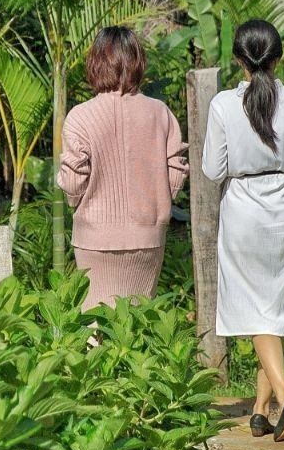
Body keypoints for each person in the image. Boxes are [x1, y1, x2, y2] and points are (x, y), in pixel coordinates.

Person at [200, 18, 284, 440]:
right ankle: (260, 409)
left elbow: (212, 169)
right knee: (271, 304)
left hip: (242, 208)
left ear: (238, 60)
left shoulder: (222, 105)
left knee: (256, 308)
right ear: (279, 57)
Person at [57, 26, 189, 309]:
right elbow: (177, 166)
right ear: (138, 62)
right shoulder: (160, 113)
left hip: (95, 239)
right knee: (139, 324)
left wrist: (76, 201)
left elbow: (72, 182)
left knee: (95, 323)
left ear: (95, 63)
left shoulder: (80, 117)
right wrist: (159, 200)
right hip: (148, 237)